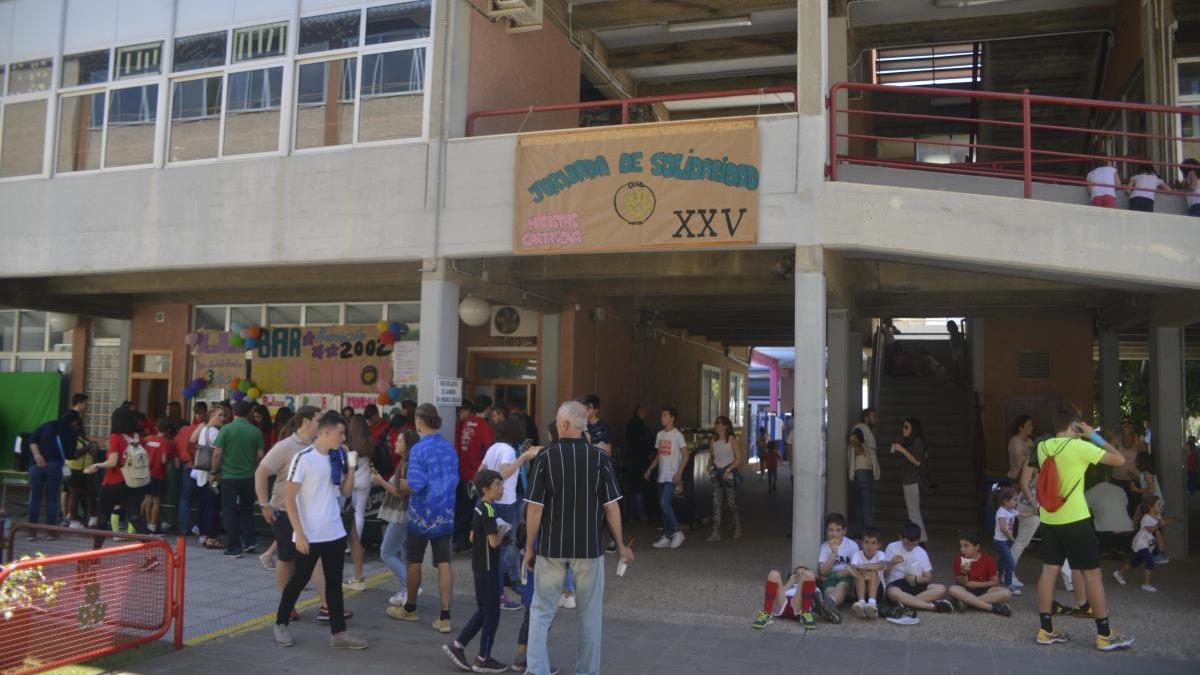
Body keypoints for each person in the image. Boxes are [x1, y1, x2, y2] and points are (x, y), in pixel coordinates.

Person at [523, 400, 632, 675]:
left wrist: (528, 547)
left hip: (552, 546)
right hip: (589, 548)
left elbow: (535, 508)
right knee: (589, 617)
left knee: (541, 610)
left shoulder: (546, 457)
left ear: (563, 425)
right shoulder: (600, 459)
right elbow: (611, 506)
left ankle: (536, 670)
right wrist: (620, 545)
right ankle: (586, 671)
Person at [1019, 410, 1133, 651]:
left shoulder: (1043, 447)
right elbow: (1119, 460)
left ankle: (1046, 630)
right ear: (1074, 426)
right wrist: (1094, 436)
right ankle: (1104, 634)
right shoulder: (1081, 447)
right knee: (1092, 575)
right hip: (1076, 520)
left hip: (1049, 520)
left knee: (1049, 571)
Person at [272, 412, 366, 650]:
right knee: (299, 580)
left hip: (333, 531)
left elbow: (344, 492)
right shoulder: (303, 458)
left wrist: (352, 468)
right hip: (310, 533)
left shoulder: (337, 457)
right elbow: (289, 499)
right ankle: (281, 623)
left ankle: (339, 633)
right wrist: (299, 533)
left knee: (334, 583)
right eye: (341, 433)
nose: (344, 438)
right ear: (326, 432)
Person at [256, 406, 347, 624]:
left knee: (312, 566)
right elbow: (261, 472)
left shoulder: (328, 451)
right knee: (287, 559)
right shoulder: (288, 447)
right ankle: (287, 610)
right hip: (285, 512)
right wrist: (263, 504)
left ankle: (327, 606)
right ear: (306, 422)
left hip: (317, 520)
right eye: (318, 419)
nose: (321, 422)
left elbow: (341, 488)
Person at [388, 404, 458, 633]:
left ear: (419, 421)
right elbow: (455, 479)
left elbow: (415, 485)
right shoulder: (449, 447)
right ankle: (445, 616)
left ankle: (410, 608)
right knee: (444, 562)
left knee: (414, 560)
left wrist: (402, 484)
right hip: (445, 513)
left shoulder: (418, 449)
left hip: (421, 515)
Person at [443, 469, 509, 673]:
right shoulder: (489, 509)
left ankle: (458, 645)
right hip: (488, 568)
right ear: (486, 489)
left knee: (484, 610)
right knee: (492, 613)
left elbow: (472, 536)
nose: (502, 488)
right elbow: (493, 542)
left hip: (479, 566)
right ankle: (483, 658)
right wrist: (503, 531)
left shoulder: (479, 507)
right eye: (498, 485)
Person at [479, 415, 540, 610]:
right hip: (505, 503)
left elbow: (481, 472)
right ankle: (499, 595)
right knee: (503, 549)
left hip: (494, 502)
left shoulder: (493, 448)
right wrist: (523, 458)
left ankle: (492, 592)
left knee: (495, 550)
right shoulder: (506, 450)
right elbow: (503, 474)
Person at [1012, 420, 1077, 593]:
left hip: (1047, 504)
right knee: (1023, 541)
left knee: (1057, 540)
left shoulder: (1052, 458)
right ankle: (1006, 572)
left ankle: (1069, 580)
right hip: (1031, 504)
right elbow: (1024, 484)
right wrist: (1034, 503)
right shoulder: (1031, 459)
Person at [84, 406, 150, 535]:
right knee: (134, 517)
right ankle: (154, 547)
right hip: (132, 482)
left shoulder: (115, 437)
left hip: (112, 482)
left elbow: (113, 462)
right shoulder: (136, 437)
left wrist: (96, 466)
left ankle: (96, 552)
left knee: (102, 519)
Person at [212, 400, 264, 558]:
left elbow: (217, 454)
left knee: (229, 511)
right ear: (249, 413)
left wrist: (214, 471)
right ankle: (249, 541)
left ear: (233, 412)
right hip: (248, 476)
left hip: (228, 476)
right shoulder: (255, 431)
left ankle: (234, 546)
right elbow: (260, 455)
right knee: (247, 510)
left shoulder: (226, 429)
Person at [374, 428, 418, 608]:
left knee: (387, 552)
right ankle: (408, 590)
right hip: (406, 513)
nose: (394, 443)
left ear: (408, 446)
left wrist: (380, 481)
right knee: (405, 554)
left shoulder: (407, 464)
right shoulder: (406, 462)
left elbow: (401, 493)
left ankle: (411, 587)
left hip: (402, 514)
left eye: (399, 441)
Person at [883, 522, 950, 623]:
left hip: (915, 584)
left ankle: (905, 604)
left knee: (941, 588)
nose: (910, 546)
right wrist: (891, 563)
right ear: (900, 537)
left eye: (914, 544)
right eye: (906, 543)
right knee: (892, 592)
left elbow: (928, 577)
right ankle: (931, 606)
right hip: (896, 584)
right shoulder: (892, 547)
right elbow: (885, 574)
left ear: (918, 541)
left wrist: (916, 579)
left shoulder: (921, 552)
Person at [26, 410, 83, 532]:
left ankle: (31, 531)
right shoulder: (71, 433)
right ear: (74, 421)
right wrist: (82, 452)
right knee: (52, 499)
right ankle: (51, 532)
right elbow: (69, 455)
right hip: (54, 466)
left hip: (36, 466)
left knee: (34, 498)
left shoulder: (47, 425)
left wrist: (37, 455)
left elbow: (32, 441)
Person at [644, 406, 687, 549]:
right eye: (661, 415)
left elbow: (685, 455)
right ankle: (667, 536)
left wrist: (680, 472)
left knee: (664, 503)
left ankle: (677, 532)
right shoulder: (660, 435)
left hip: (672, 475)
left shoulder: (677, 435)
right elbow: (659, 455)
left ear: (672, 418)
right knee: (663, 506)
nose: (662, 417)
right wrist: (650, 469)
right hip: (661, 475)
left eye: (665, 415)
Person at [456, 396, 494, 551]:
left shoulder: (467, 423)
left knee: (465, 509)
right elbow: (491, 449)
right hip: (476, 474)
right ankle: (457, 536)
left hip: (464, 472)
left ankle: (460, 541)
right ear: (488, 408)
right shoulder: (483, 426)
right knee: (473, 511)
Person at [947, 529, 1013, 616]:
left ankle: (967, 602)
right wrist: (964, 573)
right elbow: (961, 582)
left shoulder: (987, 559)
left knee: (1006, 593)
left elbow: (995, 581)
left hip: (984, 590)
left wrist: (975, 584)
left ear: (977, 547)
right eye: (961, 546)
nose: (962, 549)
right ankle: (991, 607)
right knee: (953, 589)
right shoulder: (959, 559)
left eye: (966, 546)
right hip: (965, 590)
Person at [1112, 494, 1169, 593]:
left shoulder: (1158, 516)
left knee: (1136, 562)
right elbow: (1150, 529)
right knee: (1150, 562)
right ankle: (1146, 584)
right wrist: (1159, 524)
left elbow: (1163, 522)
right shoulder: (1146, 518)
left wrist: (1174, 519)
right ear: (1151, 507)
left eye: (1161, 504)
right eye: (1159, 505)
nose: (1161, 506)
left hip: (1147, 544)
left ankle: (1119, 573)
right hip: (1141, 543)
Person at [343, 415, 374, 591]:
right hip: (366, 479)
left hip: (351, 479)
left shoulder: (348, 441)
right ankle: (355, 542)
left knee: (349, 512)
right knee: (360, 513)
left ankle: (350, 542)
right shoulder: (369, 440)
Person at [813, 512, 859, 624]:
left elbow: (853, 569)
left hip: (846, 580)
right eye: (831, 530)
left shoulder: (852, 545)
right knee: (829, 591)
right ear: (827, 531)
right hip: (829, 582)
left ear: (844, 530)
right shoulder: (824, 546)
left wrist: (832, 575)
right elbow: (823, 571)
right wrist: (833, 553)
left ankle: (826, 605)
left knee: (842, 586)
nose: (834, 533)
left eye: (838, 530)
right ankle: (830, 609)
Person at [707, 415, 744, 542]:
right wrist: (708, 466)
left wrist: (728, 470)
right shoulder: (713, 440)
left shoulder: (732, 439)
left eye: (719, 423)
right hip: (716, 473)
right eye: (716, 423)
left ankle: (737, 528)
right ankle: (716, 532)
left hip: (729, 474)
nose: (716, 425)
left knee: (731, 503)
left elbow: (739, 459)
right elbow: (712, 456)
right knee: (716, 503)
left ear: (725, 426)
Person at [890, 418, 927, 542]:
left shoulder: (918, 441)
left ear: (913, 428)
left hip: (912, 480)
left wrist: (902, 450)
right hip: (908, 479)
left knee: (913, 512)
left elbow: (917, 461)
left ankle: (921, 538)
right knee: (912, 511)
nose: (903, 429)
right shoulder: (912, 441)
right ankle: (919, 538)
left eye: (906, 427)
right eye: (903, 426)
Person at [751, 564, 817, 630]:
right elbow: (774, 595)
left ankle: (805, 614)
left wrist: (802, 582)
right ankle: (766, 614)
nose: (799, 575)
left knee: (809, 574)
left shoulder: (811, 586)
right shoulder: (790, 584)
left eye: (802, 573)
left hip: (798, 606)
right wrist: (789, 583)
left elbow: (815, 598)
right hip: (782, 603)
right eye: (796, 574)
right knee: (773, 574)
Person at [623, 404, 655, 522]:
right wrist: (648, 451)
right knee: (638, 487)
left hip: (637, 460)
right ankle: (638, 514)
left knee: (636, 488)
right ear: (639, 411)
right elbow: (639, 444)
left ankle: (635, 514)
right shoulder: (636, 426)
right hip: (637, 461)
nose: (646, 413)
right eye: (644, 410)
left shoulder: (638, 425)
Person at [850, 408, 880, 531]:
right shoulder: (861, 427)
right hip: (864, 470)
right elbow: (853, 437)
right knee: (867, 503)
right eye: (874, 416)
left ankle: (860, 533)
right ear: (866, 418)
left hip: (861, 471)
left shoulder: (864, 429)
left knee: (860, 503)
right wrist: (860, 449)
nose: (876, 419)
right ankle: (869, 533)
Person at [848, 527, 887, 620]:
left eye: (873, 543)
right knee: (859, 574)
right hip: (859, 590)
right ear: (861, 544)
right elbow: (852, 568)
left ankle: (872, 603)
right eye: (867, 542)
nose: (870, 546)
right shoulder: (857, 555)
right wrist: (860, 570)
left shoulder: (880, 554)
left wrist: (863, 567)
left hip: (877, 591)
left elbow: (881, 565)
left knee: (873, 573)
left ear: (879, 545)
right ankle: (861, 603)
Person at [1111, 418, 1146, 516]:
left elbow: (1145, 456)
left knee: (1135, 506)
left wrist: (1139, 445)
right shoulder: (1116, 439)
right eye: (1124, 424)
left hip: (1134, 478)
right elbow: (1107, 453)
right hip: (1118, 479)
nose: (1126, 426)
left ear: (1132, 427)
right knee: (1120, 506)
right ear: (1121, 427)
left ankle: (1135, 528)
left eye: (1128, 424)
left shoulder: (1137, 439)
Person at [141, 418, 172, 534]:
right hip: (158, 474)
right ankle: (153, 525)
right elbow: (164, 460)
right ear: (168, 430)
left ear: (156, 428)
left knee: (147, 498)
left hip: (146, 473)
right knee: (156, 501)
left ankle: (146, 524)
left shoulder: (148, 439)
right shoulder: (165, 442)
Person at [992, 487, 1018, 592]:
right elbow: (1003, 528)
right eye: (1015, 500)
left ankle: (995, 579)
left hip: (1006, 542)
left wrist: (1035, 513)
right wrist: (1012, 538)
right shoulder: (1001, 512)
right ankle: (1009, 584)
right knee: (1011, 562)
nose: (1016, 502)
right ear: (1006, 501)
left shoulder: (1011, 510)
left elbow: (1022, 514)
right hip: (1000, 542)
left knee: (1002, 562)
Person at [1007, 415, 1034, 480]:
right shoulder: (1015, 443)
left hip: (1028, 476)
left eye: (1031, 425)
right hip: (1016, 478)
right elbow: (1022, 465)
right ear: (1021, 428)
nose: (1032, 428)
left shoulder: (1029, 441)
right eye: (1029, 426)